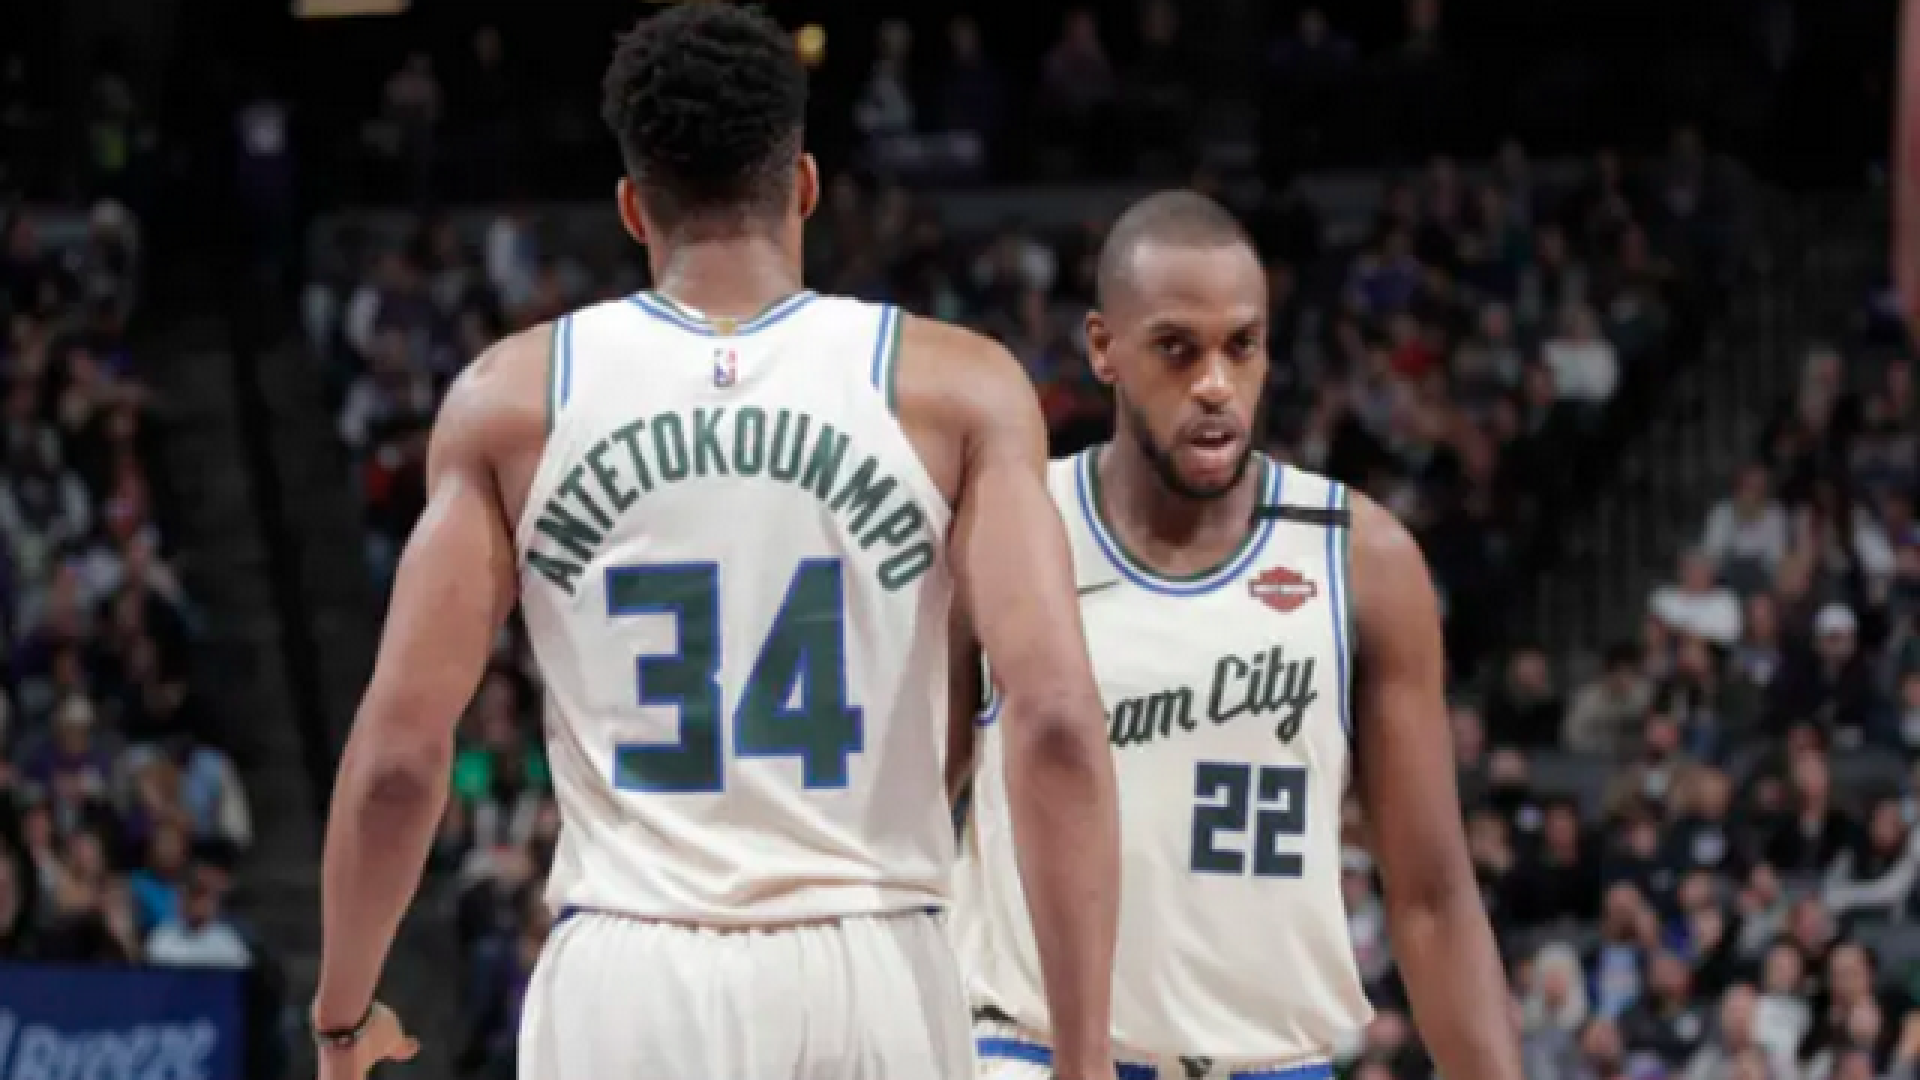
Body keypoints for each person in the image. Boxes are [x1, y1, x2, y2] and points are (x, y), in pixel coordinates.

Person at [309, 6, 1122, 1080]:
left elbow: (401, 759)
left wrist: (343, 1018)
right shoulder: (957, 388)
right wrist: (1081, 1054)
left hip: (630, 970)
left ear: (632, 208)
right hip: (875, 957)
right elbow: (1054, 718)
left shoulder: (510, 401)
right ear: (807, 187)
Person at [951, 191, 1522, 1080]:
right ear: (1103, 348)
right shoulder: (1014, 530)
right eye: (1177, 349)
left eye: (1241, 346)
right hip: (1032, 1050)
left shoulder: (1361, 559)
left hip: (1270, 1060)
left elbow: (1432, 897)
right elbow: (911, 820)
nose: (1215, 383)